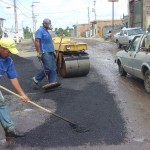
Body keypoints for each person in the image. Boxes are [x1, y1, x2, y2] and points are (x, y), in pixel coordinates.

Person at [0, 38, 30, 141]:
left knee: (1, 103)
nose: (10, 54)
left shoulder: (8, 61)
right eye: (8, 51)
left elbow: (13, 77)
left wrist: (22, 94)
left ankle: (10, 129)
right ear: (1, 48)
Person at [32, 18, 61, 89]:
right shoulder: (40, 31)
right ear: (44, 24)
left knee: (53, 68)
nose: (50, 25)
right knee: (48, 68)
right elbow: (37, 41)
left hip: (50, 52)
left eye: (50, 24)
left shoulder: (46, 31)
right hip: (45, 52)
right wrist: (39, 52)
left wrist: (53, 50)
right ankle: (36, 79)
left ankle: (52, 83)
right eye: (49, 24)